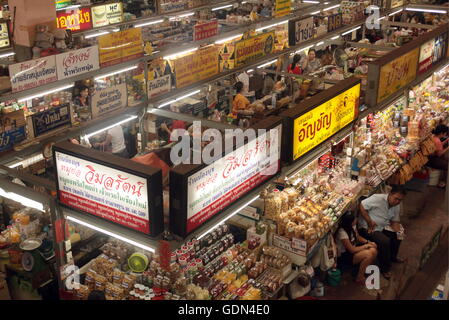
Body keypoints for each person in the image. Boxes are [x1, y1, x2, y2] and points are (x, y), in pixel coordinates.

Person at [358, 185, 407, 279]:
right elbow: (362, 205)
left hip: (382, 227)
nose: (397, 202)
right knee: (384, 241)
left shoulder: (396, 205)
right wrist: (369, 221)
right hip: (368, 228)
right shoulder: (377, 198)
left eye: (400, 200)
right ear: (390, 194)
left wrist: (399, 232)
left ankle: (393, 257)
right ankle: (385, 269)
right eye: (396, 198)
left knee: (398, 236)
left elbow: (394, 221)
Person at [336, 212, 378, 285]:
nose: (356, 219)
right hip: (345, 255)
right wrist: (366, 246)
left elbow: (357, 237)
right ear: (350, 222)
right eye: (355, 219)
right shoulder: (342, 233)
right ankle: (359, 277)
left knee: (374, 249)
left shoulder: (353, 226)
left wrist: (368, 242)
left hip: (354, 248)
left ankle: (363, 270)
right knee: (368, 254)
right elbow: (351, 250)